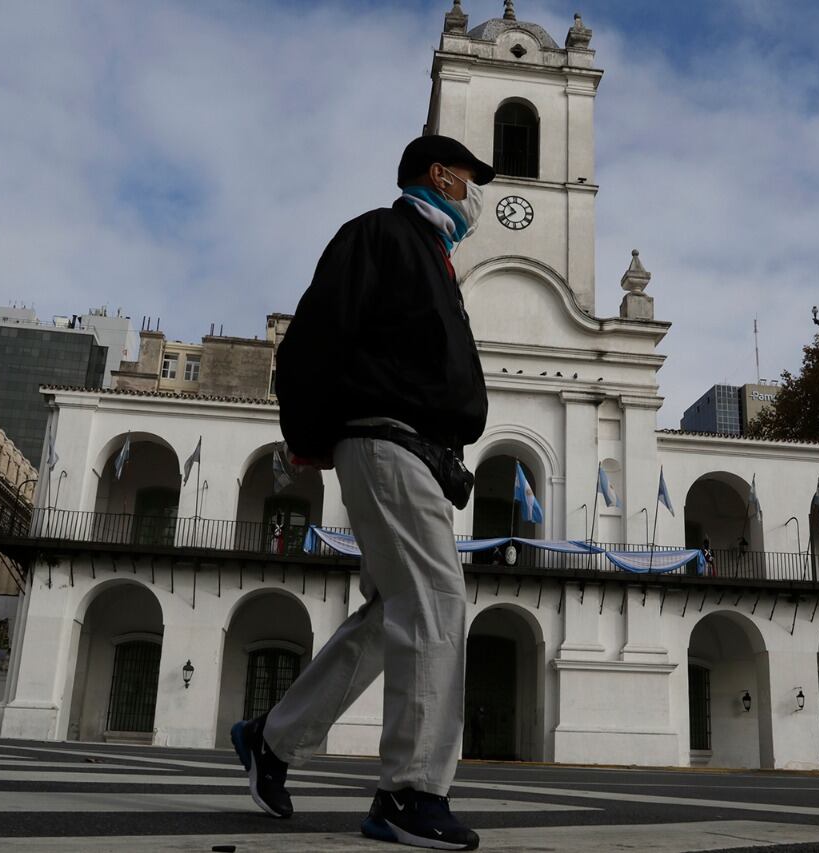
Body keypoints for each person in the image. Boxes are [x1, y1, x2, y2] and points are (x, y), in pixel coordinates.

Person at [229, 134, 493, 851]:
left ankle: (271, 738)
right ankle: (410, 791)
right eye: (471, 180)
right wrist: (310, 434)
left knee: (390, 615)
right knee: (437, 602)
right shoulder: (381, 234)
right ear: (439, 175)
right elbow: (315, 337)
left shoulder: (436, 260)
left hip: (420, 454)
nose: (477, 196)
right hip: (385, 438)